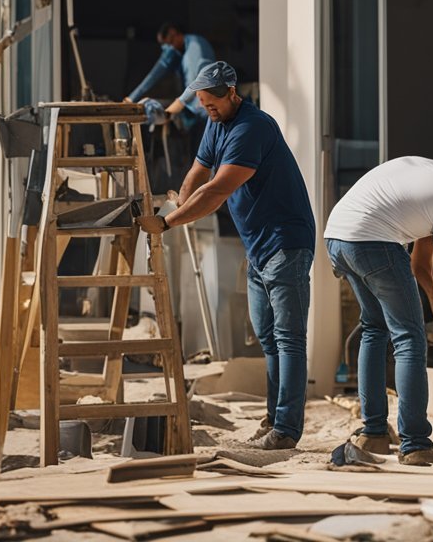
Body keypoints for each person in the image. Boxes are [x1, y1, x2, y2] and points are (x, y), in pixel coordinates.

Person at [135, 61, 315, 451]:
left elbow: (217, 191)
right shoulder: (216, 123)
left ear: (231, 93)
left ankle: (286, 429)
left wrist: (167, 223)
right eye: (201, 103)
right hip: (258, 246)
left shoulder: (251, 128)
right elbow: (197, 173)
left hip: (286, 244)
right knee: (268, 338)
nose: (207, 109)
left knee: (288, 339)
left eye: (211, 103)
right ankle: (275, 419)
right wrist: (176, 204)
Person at [324, 145, 433, 467]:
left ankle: (374, 432)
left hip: (337, 238)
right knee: (409, 340)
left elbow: (421, 266)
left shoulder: (428, 172)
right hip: (373, 242)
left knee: (375, 328)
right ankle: (416, 443)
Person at [126, 22, 216, 124]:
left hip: (204, 107)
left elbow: (196, 85)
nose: (168, 47)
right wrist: (131, 98)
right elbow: (153, 75)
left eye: (169, 43)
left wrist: (173, 108)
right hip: (193, 105)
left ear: (174, 34)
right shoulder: (177, 50)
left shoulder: (194, 48)